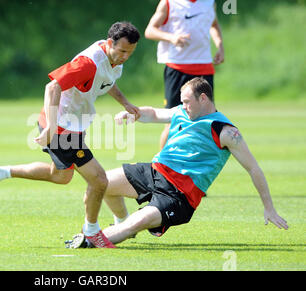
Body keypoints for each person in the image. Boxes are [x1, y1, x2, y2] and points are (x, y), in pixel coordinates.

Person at [65, 77, 288, 248]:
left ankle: (88, 240)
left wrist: (269, 208)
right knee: (101, 183)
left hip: (179, 196)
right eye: (182, 102)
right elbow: (153, 114)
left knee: (136, 223)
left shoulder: (226, 131)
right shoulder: (182, 112)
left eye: (187, 101)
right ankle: (121, 225)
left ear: (203, 99)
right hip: (155, 172)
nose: (183, 106)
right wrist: (132, 113)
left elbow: (253, 168)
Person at [0, 22, 142, 248]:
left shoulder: (113, 61)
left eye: (130, 52)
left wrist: (125, 102)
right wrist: (52, 127)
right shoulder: (88, 63)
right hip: (61, 126)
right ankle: (92, 232)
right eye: (122, 51)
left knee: (61, 176)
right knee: (99, 180)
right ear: (108, 44)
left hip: (70, 125)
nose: (125, 56)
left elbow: (107, 82)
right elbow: (52, 87)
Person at [144, 0, 224, 149]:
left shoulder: (209, 2)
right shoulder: (169, 3)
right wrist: (172, 38)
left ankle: (198, 167)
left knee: (205, 120)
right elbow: (150, 30)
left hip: (204, 69)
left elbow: (213, 24)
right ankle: (159, 167)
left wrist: (220, 46)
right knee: (172, 121)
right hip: (177, 68)